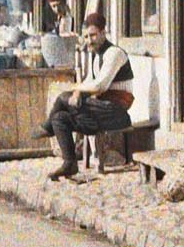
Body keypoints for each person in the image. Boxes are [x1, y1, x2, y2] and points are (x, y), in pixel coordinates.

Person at [41, 11, 132, 181]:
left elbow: (100, 85)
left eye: (93, 35)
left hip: (116, 111)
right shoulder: (96, 56)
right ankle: (70, 163)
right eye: (86, 37)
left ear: (104, 33)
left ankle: (46, 129)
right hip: (99, 111)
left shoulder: (115, 53)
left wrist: (77, 92)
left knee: (62, 98)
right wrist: (77, 91)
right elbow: (88, 81)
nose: (89, 40)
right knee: (60, 118)